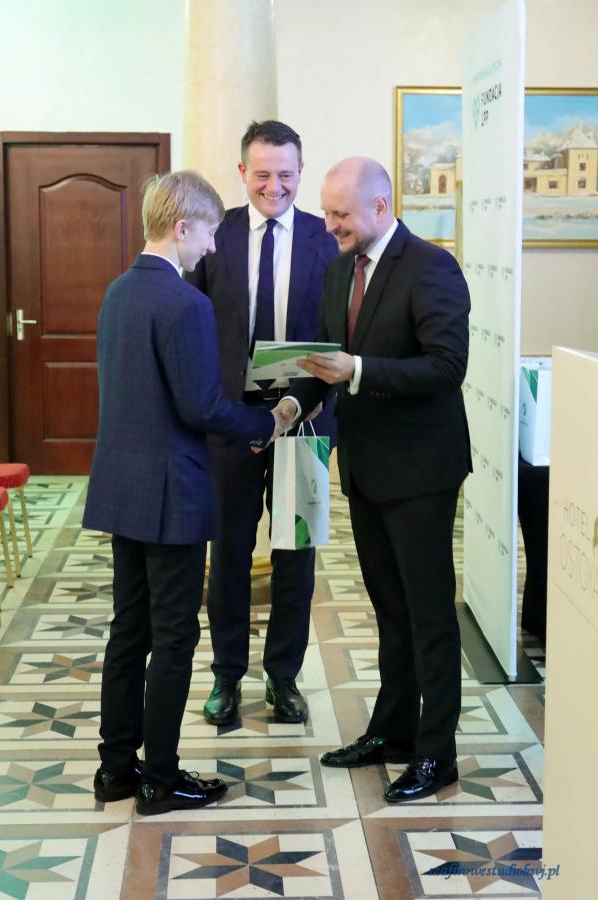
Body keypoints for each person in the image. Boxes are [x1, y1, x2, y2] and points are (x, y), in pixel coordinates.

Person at [83, 170, 283, 816]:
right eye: (209, 233)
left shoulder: (117, 292)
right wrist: (265, 423)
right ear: (182, 226)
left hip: (123, 487)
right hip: (172, 495)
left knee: (128, 631)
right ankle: (161, 779)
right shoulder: (185, 303)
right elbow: (201, 407)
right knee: (173, 638)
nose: (213, 247)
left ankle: (116, 768)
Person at [279, 157, 472, 802]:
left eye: (341, 214)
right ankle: (392, 731)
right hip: (364, 466)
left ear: (381, 206)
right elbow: (326, 360)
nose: (330, 224)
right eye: (327, 212)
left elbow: (446, 367)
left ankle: (436, 754)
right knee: (390, 609)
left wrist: (358, 370)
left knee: (428, 615)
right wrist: (292, 402)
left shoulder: (432, 266)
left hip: (420, 471)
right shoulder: (341, 269)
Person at [187, 120, 337, 726]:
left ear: (301, 173)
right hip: (232, 422)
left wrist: (303, 400)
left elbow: (340, 333)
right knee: (228, 551)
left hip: (305, 421)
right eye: (263, 173)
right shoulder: (215, 233)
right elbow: (192, 323)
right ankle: (227, 676)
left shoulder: (326, 238)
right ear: (242, 172)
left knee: (296, 553)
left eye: (286, 174)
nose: (274, 186)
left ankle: (283, 677)